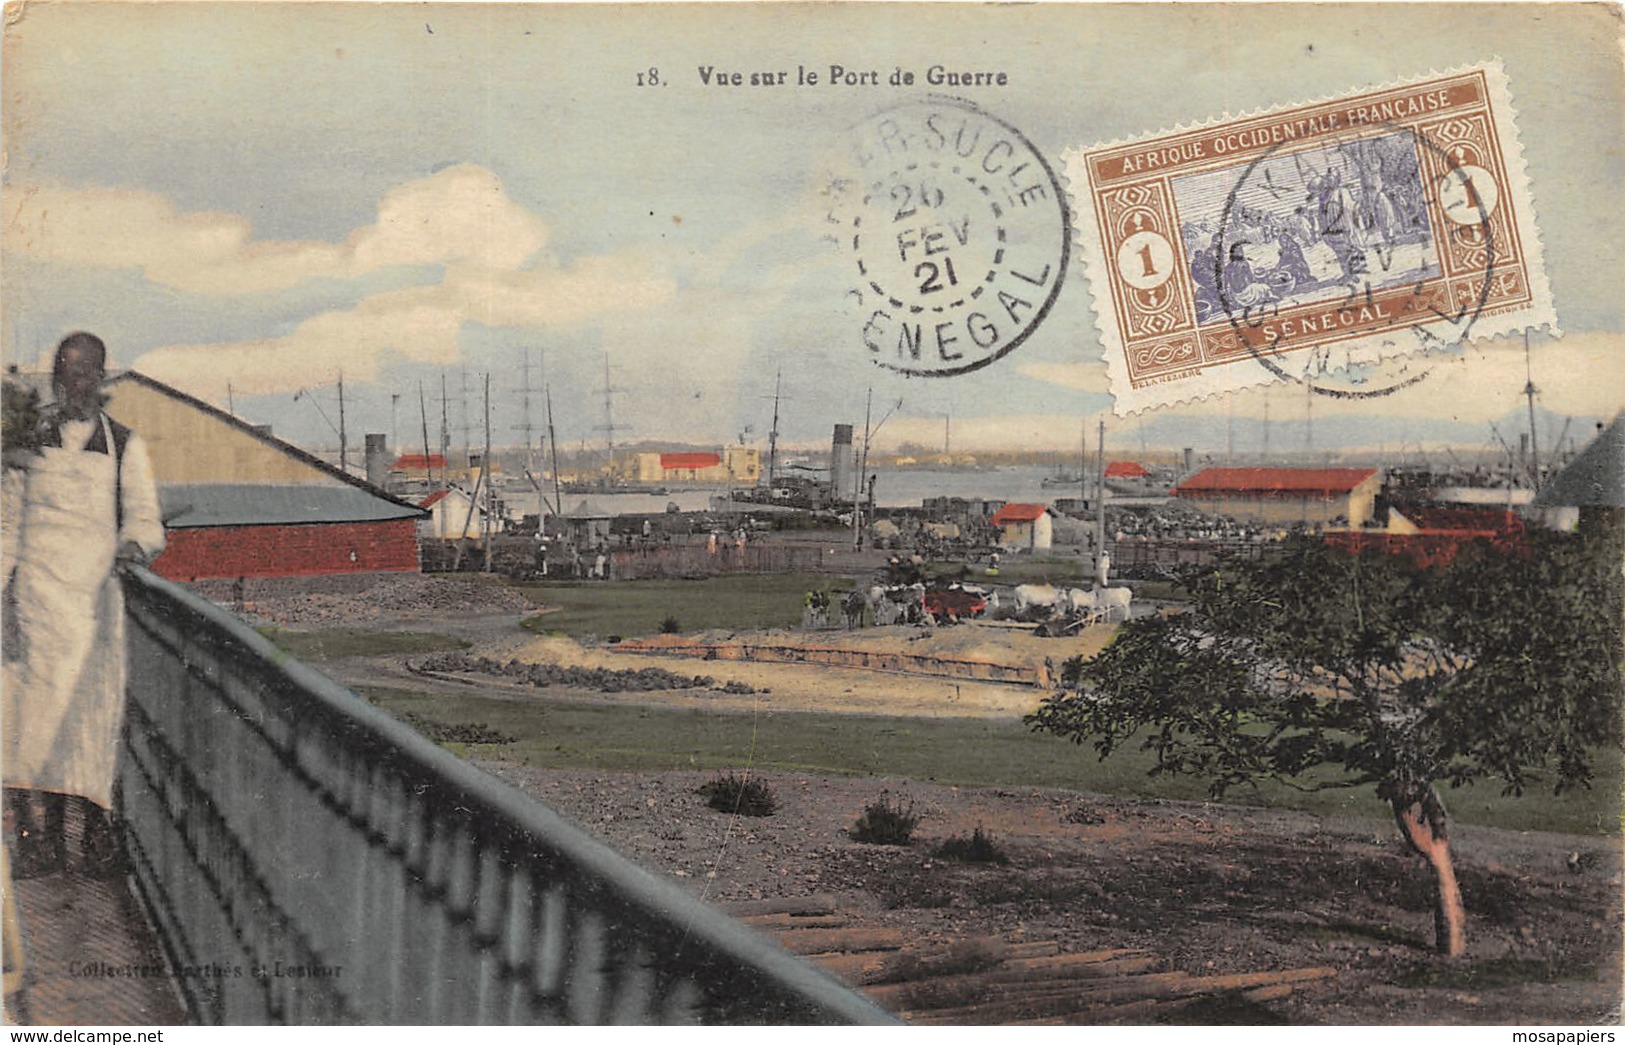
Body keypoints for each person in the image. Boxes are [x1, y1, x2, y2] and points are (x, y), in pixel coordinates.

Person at [2, 333, 166, 877]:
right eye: (62, 372)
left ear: (99, 377)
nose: (70, 383)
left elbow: (145, 518)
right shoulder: (26, 440)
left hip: (93, 606)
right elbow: (5, 525)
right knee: (27, 725)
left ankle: (90, 840)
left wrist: (134, 544)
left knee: (90, 721)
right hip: (34, 605)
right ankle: (36, 842)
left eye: (81, 373)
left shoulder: (125, 444)